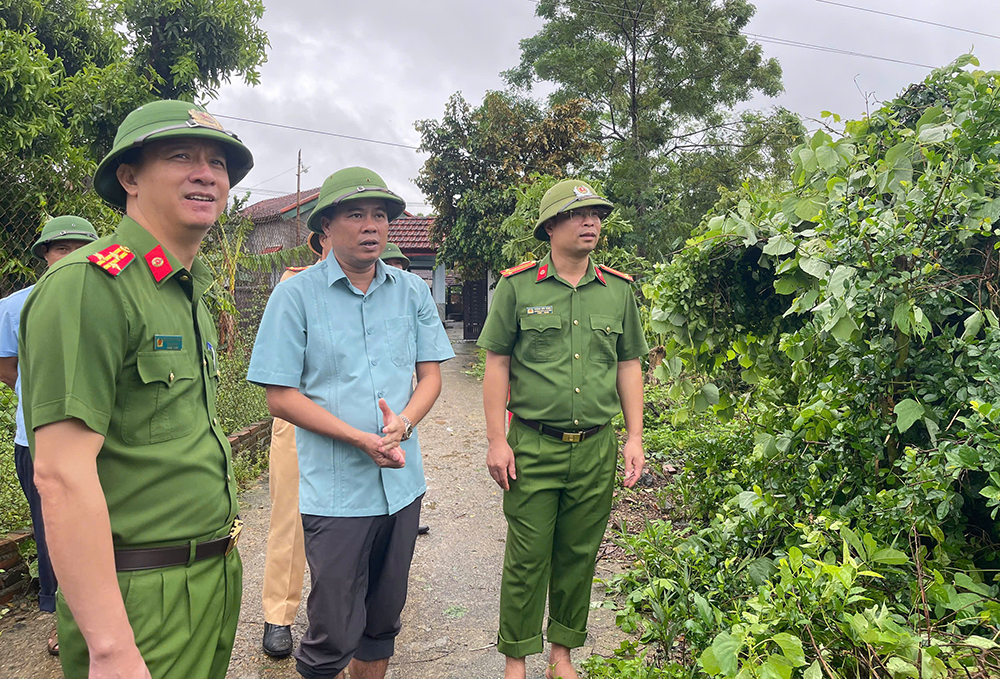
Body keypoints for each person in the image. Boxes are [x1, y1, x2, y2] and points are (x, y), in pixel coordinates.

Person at [19, 99, 254, 679]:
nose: (206, 173)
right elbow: (60, 476)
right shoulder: (90, 286)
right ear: (129, 177)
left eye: (218, 162)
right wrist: (110, 647)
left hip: (212, 578)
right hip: (139, 593)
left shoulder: (187, 289)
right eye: (181, 156)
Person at [247, 166, 454, 679]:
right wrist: (357, 438)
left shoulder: (411, 291)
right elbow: (280, 396)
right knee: (332, 630)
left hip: (403, 484)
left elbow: (430, 378)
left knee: (382, 623)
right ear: (326, 227)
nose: (371, 226)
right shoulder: (294, 296)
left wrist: (403, 422)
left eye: (380, 216)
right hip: (337, 492)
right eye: (356, 214)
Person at [477, 180, 648, 679]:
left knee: (578, 554)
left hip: (595, 447)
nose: (591, 222)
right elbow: (497, 364)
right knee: (528, 556)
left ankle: (562, 655)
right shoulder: (517, 287)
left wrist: (634, 436)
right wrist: (496, 440)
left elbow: (629, 365)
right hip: (532, 444)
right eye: (578, 214)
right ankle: (516, 661)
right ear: (550, 227)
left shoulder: (617, 291)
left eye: (596, 214)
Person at [0, 215, 98, 655]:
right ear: (44, 255)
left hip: (104, 439)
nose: (72, 255)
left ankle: (111, 613)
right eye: (61, 248)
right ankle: (64, 618)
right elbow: (8, 368)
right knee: (54, 529)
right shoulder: (14, 306)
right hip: (37, 440)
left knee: (108, 527)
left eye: (82, 247)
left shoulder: (108, 300)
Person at [261, 231, 328, 658]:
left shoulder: (379, 286)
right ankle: (278, 615)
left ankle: (341, 613)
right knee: (290, 516)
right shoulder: (293, 286)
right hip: (298, 416)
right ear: (322, 238)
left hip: (357, 420)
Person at [378, 242, 431, 538]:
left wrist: (408, 419)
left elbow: (429, 375)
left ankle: (409, 516)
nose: (396, 271)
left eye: (400, 266)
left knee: (405, 466)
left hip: (400, 421)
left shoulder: (412, 298)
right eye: (391, 264)